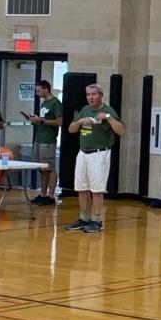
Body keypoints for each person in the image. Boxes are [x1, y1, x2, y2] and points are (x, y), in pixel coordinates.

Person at [66, 85, 125, 233]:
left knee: (96, 189)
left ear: (101, 95)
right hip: (83, 153)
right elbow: (71, 129)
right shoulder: (85, 110)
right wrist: (80, 122)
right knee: (81, 187)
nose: (90, 97)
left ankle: (97, 220)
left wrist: (107, 118)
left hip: (99, 154)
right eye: (88, 95)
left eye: (93, 94)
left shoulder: (108, 111)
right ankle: (83, 218)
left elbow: (122, 131)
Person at [28, 80, 63, 205]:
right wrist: (35, 120)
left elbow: (59, 122)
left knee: (50, 167)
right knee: (42, 168)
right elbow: (43, 120)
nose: (37, 93)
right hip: (39, 138)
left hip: (48, 140)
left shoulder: (55, 103)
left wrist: (42, 120)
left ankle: (50, 195)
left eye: (38, 90)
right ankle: (42, 194)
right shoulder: (44, 104)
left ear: (46, 89)